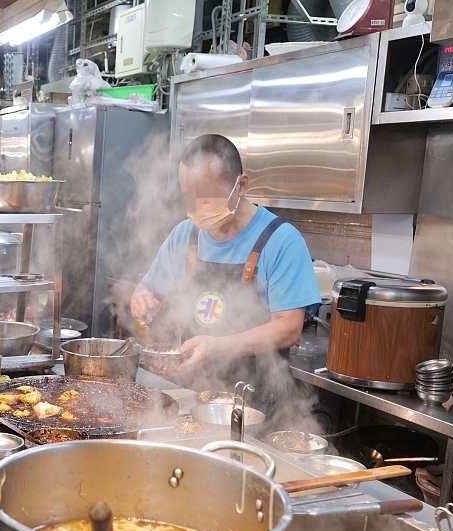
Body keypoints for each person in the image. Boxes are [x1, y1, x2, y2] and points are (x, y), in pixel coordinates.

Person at [129, 134, 320, 413]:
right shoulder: (184, 234)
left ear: (241, 185)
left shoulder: (282, 241)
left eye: (209, 196)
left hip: (255, 405)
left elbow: (288, 327)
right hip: (189, 396)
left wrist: (217, 347)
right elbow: (146, 287)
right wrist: (142, 298)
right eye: (189, 197)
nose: (198, 207)